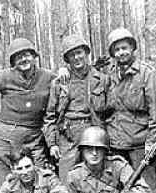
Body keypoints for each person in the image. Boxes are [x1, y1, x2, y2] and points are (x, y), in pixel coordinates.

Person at [0, 38, 56, 185]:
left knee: (40, 181)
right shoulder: (5, 76)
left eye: (27, 55)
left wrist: (63, 71)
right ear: (13, 62)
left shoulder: (48, 77)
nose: (23, 59)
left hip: (34, 136)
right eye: (18, 57)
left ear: (34, 57)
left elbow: (63, 84)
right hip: (6, 135)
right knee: (7, 183)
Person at [106, 28, 156, 193]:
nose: (121, 53)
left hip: (140, 143)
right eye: (117, 49)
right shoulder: (109, 75)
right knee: (118, 189)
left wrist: (152, 141)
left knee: (147, 190)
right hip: (116, 142)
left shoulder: (146, 74)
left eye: (125, 48)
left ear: (132, 48)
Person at [43, 34, 112, 182]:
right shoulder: (59, 83)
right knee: (67, 180)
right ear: (67, 59)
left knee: (97, 178)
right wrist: (52, 144)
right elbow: (50, 116)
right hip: (68, 136)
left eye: (79, 53)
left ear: (86, 53)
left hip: (94, 132)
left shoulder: (102, 80)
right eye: (71, 55)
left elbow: (110, 112)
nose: (76, 58)